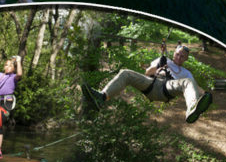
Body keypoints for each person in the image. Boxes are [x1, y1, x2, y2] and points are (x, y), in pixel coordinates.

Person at [82, 45, 213, 124]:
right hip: (151, 83)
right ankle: (102, 97)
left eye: (183, 56)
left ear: (186, 59)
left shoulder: (186, 73)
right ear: (174, 53)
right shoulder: (164, 59)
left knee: (187, 82)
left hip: (166, 88)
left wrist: (205, 95)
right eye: (178, 54)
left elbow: (194, 86)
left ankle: (192, 108)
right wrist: (159, 66)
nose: (179, 57)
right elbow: (147, 73)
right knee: (125, 73)